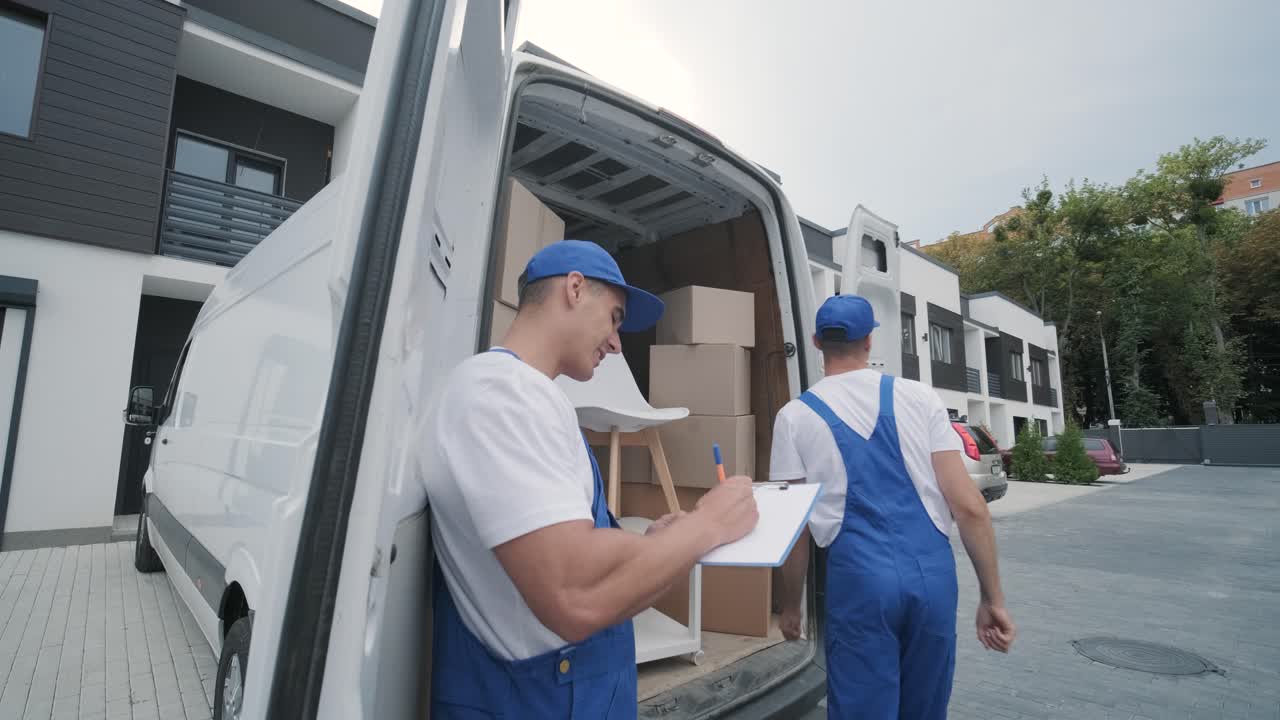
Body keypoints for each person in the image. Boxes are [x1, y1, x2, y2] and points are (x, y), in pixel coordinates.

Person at [419, 240, 759, 719]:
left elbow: (571, 544)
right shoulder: (500, 395)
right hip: (539, 700)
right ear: (575, 289)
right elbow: (573, 592)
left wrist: (652, 542)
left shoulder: (529, 394)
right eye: (616, 318)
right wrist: (708, 526)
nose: (618, 343)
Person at [771, 294, 1016, 719]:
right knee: (925, 707)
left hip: (859, 583)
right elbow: (970, 507)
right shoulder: (920, 398)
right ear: (869, 341)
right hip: (933, 579)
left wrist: (791, 605)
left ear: (815, 342)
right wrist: (992, 598)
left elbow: (795, 528)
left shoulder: (795, 416)